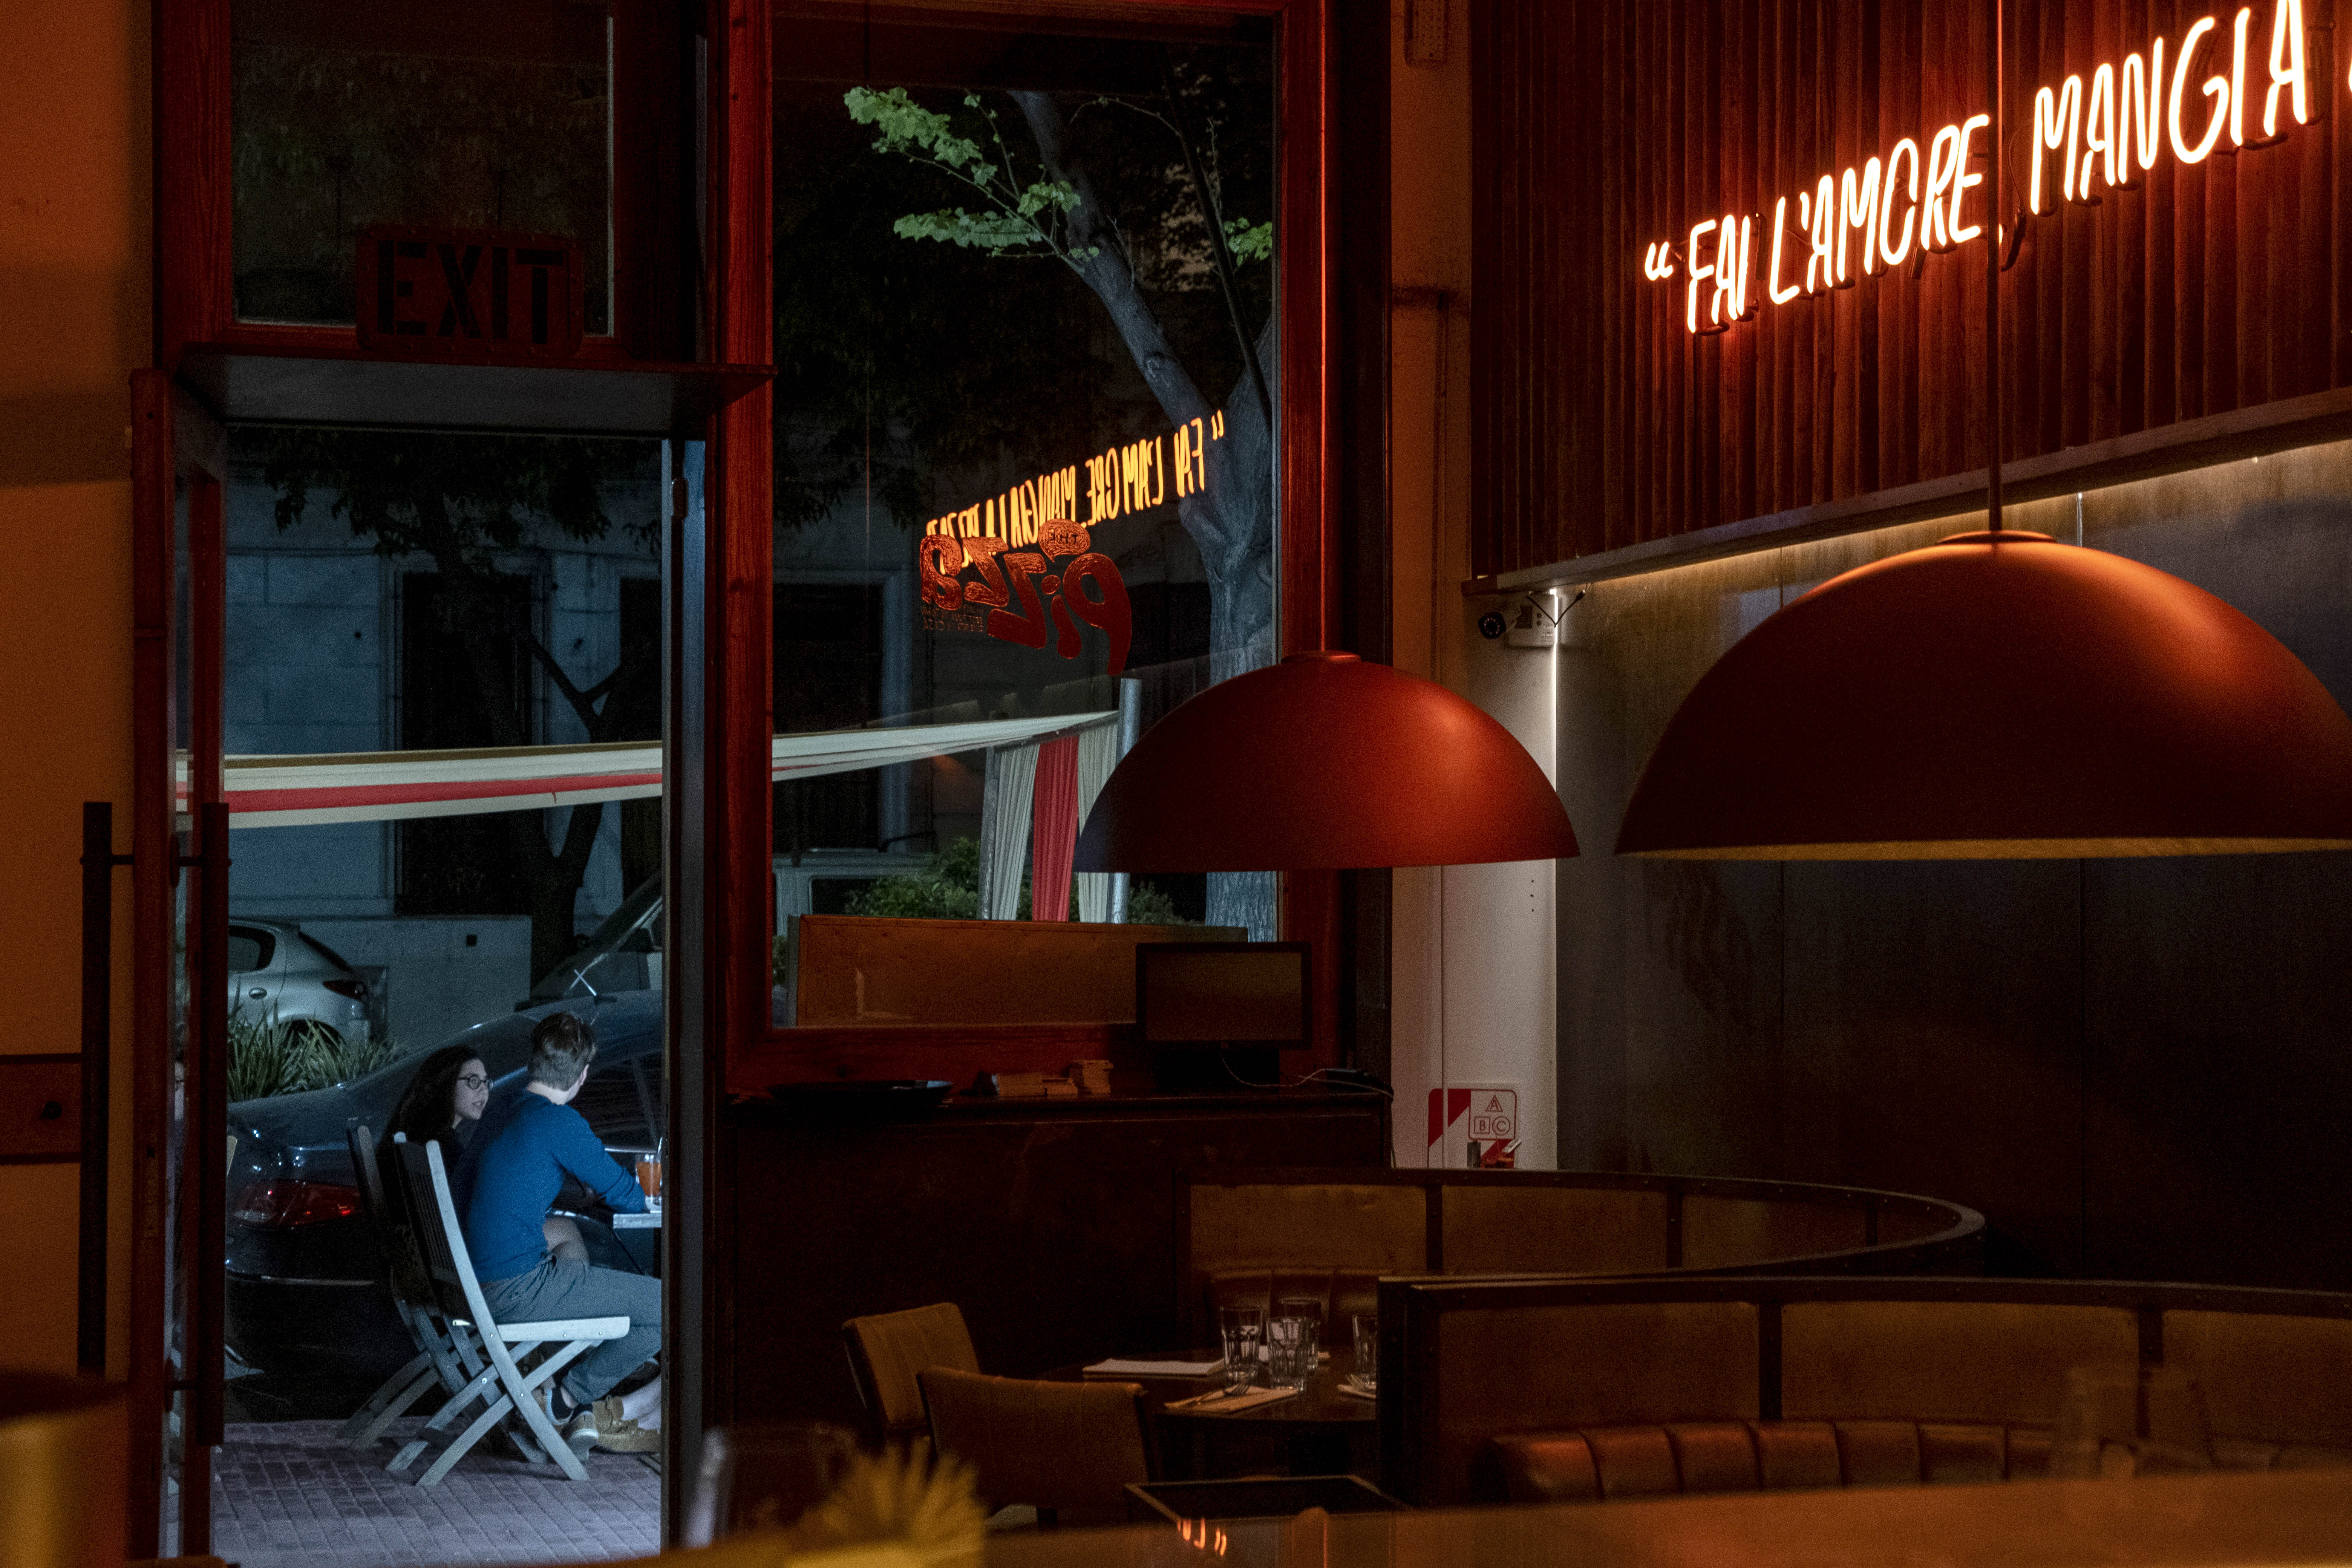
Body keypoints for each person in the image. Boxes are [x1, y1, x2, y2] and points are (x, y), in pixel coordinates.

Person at [455, 1010, 660, 1454]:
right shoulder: (560, 1122)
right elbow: (630, 1196)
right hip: (513, 1288)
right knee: (672, 1307)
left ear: (535, 1062)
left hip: (470, 1277)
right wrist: (594, 1180)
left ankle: (566, 1352)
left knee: (565, 1228)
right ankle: (567, 1397)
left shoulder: (505, 1109)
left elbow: (514, 1174)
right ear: (583, 1074)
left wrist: (575, 1182)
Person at [380, 1044, 587, 1262]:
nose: (483, 1091)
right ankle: (569, 1293)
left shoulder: (419, 1136)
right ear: (445, 1083)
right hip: (465, 1257)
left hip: (435, 1258)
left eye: (485, 1083)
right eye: (473, 1082)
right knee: (566, 1230)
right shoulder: (443, 1147)